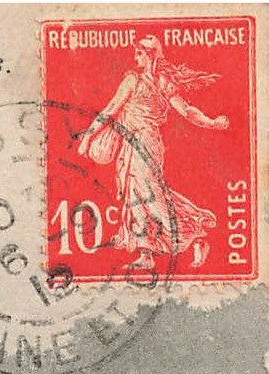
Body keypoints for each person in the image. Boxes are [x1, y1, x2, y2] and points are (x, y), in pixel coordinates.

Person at [76, 36, 230, 272]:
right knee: (135, 194)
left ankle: (194, 236)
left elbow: (186, 111)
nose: (135, 57)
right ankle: (145, 252)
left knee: (148, 194)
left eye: (139, 53)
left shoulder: (144, 80)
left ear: (150, 54)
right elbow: (112, 110)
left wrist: (212, 123)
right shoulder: (151, 80)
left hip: (145, 143)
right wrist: (212, 123)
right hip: (135, 143)